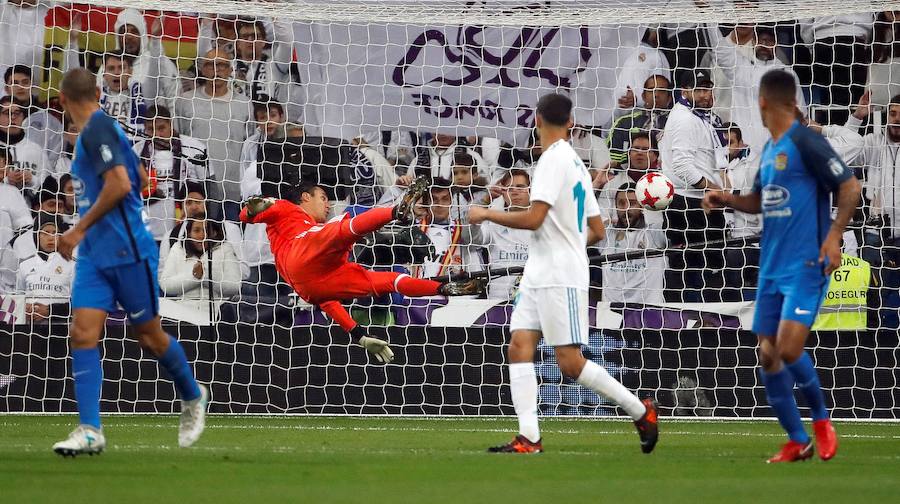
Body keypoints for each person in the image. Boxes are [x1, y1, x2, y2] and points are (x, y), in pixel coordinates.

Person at [468, 93, 658, 454]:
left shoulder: (553, 162)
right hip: (540, 271)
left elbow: (534, 218)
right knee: (519, 346)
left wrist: (487, 214)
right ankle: (529, 437)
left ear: (536, 119)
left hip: (560, 274)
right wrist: (569, 242)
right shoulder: (574, 163)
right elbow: (598, 230)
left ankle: (640, 410)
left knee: (569, 362)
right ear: (571, 121)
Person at [702, 69, 860, 463]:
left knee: (789, 349)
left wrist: (835, 235)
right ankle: (796, 440)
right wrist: (726, 198)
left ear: (763, 103)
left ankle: (822, 423)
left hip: (805, 262)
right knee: (767, 355)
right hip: (770, 267)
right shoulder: (769, 150)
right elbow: (759, 201)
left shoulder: (806, 141)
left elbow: (850, 186)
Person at [51, 68, 208, 457]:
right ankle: (90, 430)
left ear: (62, 100)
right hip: (95, 259)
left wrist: (77, 229)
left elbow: (121, 184)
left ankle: (192, 396)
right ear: (99, 92)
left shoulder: (97, 130)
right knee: (83, 333)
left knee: (149, 336)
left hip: (128, 253)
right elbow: (139, 175)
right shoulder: (110, 129)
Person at [239, 177, 486, 364]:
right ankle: (395, 211)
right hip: (299, 252)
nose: (327, 205)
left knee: (390, 280)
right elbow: (246, 215)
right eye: (323, 198)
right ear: (305, 197)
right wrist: (255, 206)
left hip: (313, 283)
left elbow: (327, 300)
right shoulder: (287, 209)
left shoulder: (318, 231)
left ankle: (444, 288)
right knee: (343, 224)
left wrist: (359, 335)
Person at [175, 48, 250, 221]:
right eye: (210, 65)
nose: (216, 70)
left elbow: (250, 148)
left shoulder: (244, 104)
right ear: (202, 69)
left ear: (231, 70)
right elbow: (178, 143)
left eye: (222, 65)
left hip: (232, 195)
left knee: (232, 245)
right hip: (196, 195)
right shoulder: (185, 102)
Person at [599, 183, 667, 305]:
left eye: (632, 203)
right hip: (611, 313)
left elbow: (668, 218)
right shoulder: (607, 234)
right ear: (615, 206)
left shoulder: (654, 232)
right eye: (621, 203)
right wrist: (597, 184)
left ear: (642, 206)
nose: (626, 208)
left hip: (649, 312)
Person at [471, 169, 532, 300]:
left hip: (535, 299)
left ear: (531, 191)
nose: (515, 192)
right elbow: (470, 238)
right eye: (509, 189)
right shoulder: (493, 224)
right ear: (502, 194)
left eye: (520, 187)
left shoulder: (544, 225)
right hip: (498, 301)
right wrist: (486, 199)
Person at [160, 216, 242, 300]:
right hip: (183, 309)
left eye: (207, 230)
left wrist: (206, 277)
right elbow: (165, 285)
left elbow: (235, 286)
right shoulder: (177, 248)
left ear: (215, 232)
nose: (202, 236)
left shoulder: (225, 248)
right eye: (196, 231)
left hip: (218, 310)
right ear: (189, 233)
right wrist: (194, 277)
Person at [16, 212, 74, 322]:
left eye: (55, 232)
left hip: (61, 329)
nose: (51, 238)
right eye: (45, 232)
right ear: (36, 235)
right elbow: (18, 298)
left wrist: (50, 311)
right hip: (29, 327)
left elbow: (80, 302)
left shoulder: (72, 265)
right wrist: (24, 308)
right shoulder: (24, 265)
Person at [0, 145, 32, 294]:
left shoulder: (11, 192)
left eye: (6, 163)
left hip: (5, 273)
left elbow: (25, 229)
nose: (3, 166)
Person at [99, 53, 147, 137]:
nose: (117, 73)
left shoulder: (141, 96)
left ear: (130, 72)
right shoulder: (96, 97)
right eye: (111, 68)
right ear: (104, 74)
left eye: (121, 68)